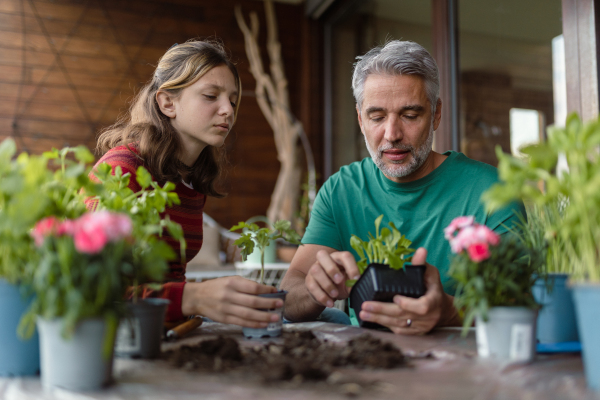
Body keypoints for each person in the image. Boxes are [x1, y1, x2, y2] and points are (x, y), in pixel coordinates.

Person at [280, 40, 523, 334]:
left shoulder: (492, 191)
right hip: (367, 363)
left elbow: (522, 303)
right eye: (377, 117)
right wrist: (314, 289)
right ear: (360, 119)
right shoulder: (340, 191)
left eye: (410, 115)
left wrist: (448, 310)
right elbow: (288, 298)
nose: (392, 134)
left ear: (436, 115)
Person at [88, 39, 282, 329]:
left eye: (232, 99)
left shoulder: (190, 180)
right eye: (210, 96)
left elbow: (170, 279)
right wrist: (193, 297)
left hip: (166, 332)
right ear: (168, 103)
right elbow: (93, 293)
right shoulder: (121, 170)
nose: (227, 110)